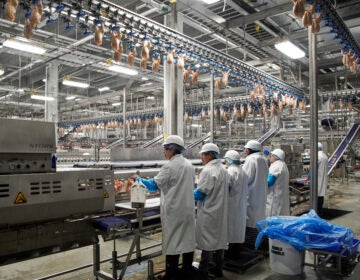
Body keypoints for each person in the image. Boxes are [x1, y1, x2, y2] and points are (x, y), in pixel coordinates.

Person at [136, 135, 196, 280]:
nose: (164, 152)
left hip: (174, 212)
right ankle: (187, 272)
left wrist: (138, 180)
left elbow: (152, 186)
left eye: (165, 149)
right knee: (187, 242)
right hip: (187, 210)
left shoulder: (169, 166)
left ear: (172, 149)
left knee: (173, 244)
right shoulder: (189, 165)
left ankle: (171, 276)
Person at [194, 143, 229, 280]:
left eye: (203, 155)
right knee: (218, 241)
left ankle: (203, 272)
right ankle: (218, 270)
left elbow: (201, 193)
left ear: (209, 155)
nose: (202, 158)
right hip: (220, 210)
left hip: (209, 211)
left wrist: (187, 194)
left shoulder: (208, 171)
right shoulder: (223, 169)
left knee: (207, 243)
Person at [224, 150, 248, 260]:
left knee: (230, 230)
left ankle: (230, 255)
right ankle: (236, 252)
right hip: (241, 205)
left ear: (229, 160)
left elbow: (225, 188)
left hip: (231, 205)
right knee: (238, 229)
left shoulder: (230, 171)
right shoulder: (242, 171)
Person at [242, 140, 269, 228]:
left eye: (246, 149)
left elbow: (245, 178)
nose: (245, 151)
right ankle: (259, 238)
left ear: (250, 150)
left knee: (251, 220)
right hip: (261, 194)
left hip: (251, 195)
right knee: (259, 217)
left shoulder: (251, 159)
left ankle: (251, 240)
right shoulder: (263, 159)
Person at [266, 148, 290, 217]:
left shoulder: (276, 166)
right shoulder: (283, 165)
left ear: (276, 157)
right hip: (280, 194)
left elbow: (269, 182)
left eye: (271, 156)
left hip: (274, 196)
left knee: (274, 214)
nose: (270, 157)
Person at [318, 142, 328, 212]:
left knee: (317, 194)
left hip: (318, 178)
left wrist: (308, 176)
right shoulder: (325, 156)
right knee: (321, 194)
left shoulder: (317, 156)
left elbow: (313, 167)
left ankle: (317, 210)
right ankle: (320, 209)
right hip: (323, 177)